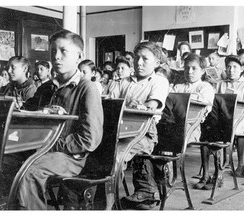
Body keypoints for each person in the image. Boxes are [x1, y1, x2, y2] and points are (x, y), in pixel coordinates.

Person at [11, 29, 103, 210]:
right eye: (53, 51)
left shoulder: (87, 89)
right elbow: (25, 115)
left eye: (63, 51)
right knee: (3, 163)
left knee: (29, 172)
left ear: (79, 56)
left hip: (69, 157)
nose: (56, 57)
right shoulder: (46, 88)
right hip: (40, 150)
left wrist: (48, 144)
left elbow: (89, 139)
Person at [109, 41, 169, 210]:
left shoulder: (159, 81)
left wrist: (134, 106)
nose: (139, 62)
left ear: (157, 63)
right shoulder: (123, 81)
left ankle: (106, 205)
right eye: (137, 58)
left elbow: (150, 107)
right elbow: (110, 103)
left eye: (145, 59)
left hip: (144, 131)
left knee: (115, 156)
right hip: (118, 129)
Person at [196, 55, 244, 190]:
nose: (231, 70)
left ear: (242, 69)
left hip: (239, 118)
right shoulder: (221, 83)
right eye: (228, 67)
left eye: (235, 67)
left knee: (219, 133)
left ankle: (219, 174)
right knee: (205, 134)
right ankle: (205, 174)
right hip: (220, 120)